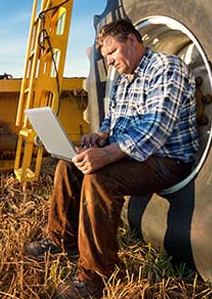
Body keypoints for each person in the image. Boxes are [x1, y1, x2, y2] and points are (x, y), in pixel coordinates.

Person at [26, 19, 199, 299]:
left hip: (168, 160)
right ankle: (61, 241)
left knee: (99, 178)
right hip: (135, 155)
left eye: (112, 52)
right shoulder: (123, 77)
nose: (109, 62)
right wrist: (101, 135)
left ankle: (94, 276)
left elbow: (154, 130)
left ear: (133, 40)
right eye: (105, 57)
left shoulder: (167, 68)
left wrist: (106, 155)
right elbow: (114, 118)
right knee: (69, 165)